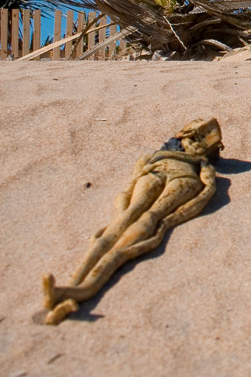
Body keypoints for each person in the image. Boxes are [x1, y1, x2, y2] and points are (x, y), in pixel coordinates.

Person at [42, 118, 223, 324]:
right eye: (194, 137)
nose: (195, 143)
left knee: (147, 218)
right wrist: (125, 201)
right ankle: (71, 288)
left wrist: (174, 218)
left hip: (180, 178)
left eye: (200, 140)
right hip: (159, 172)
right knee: (130, 218)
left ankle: (82, 289)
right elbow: (139, 173)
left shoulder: (200, 162)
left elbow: (207, 189)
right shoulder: (169, 155)